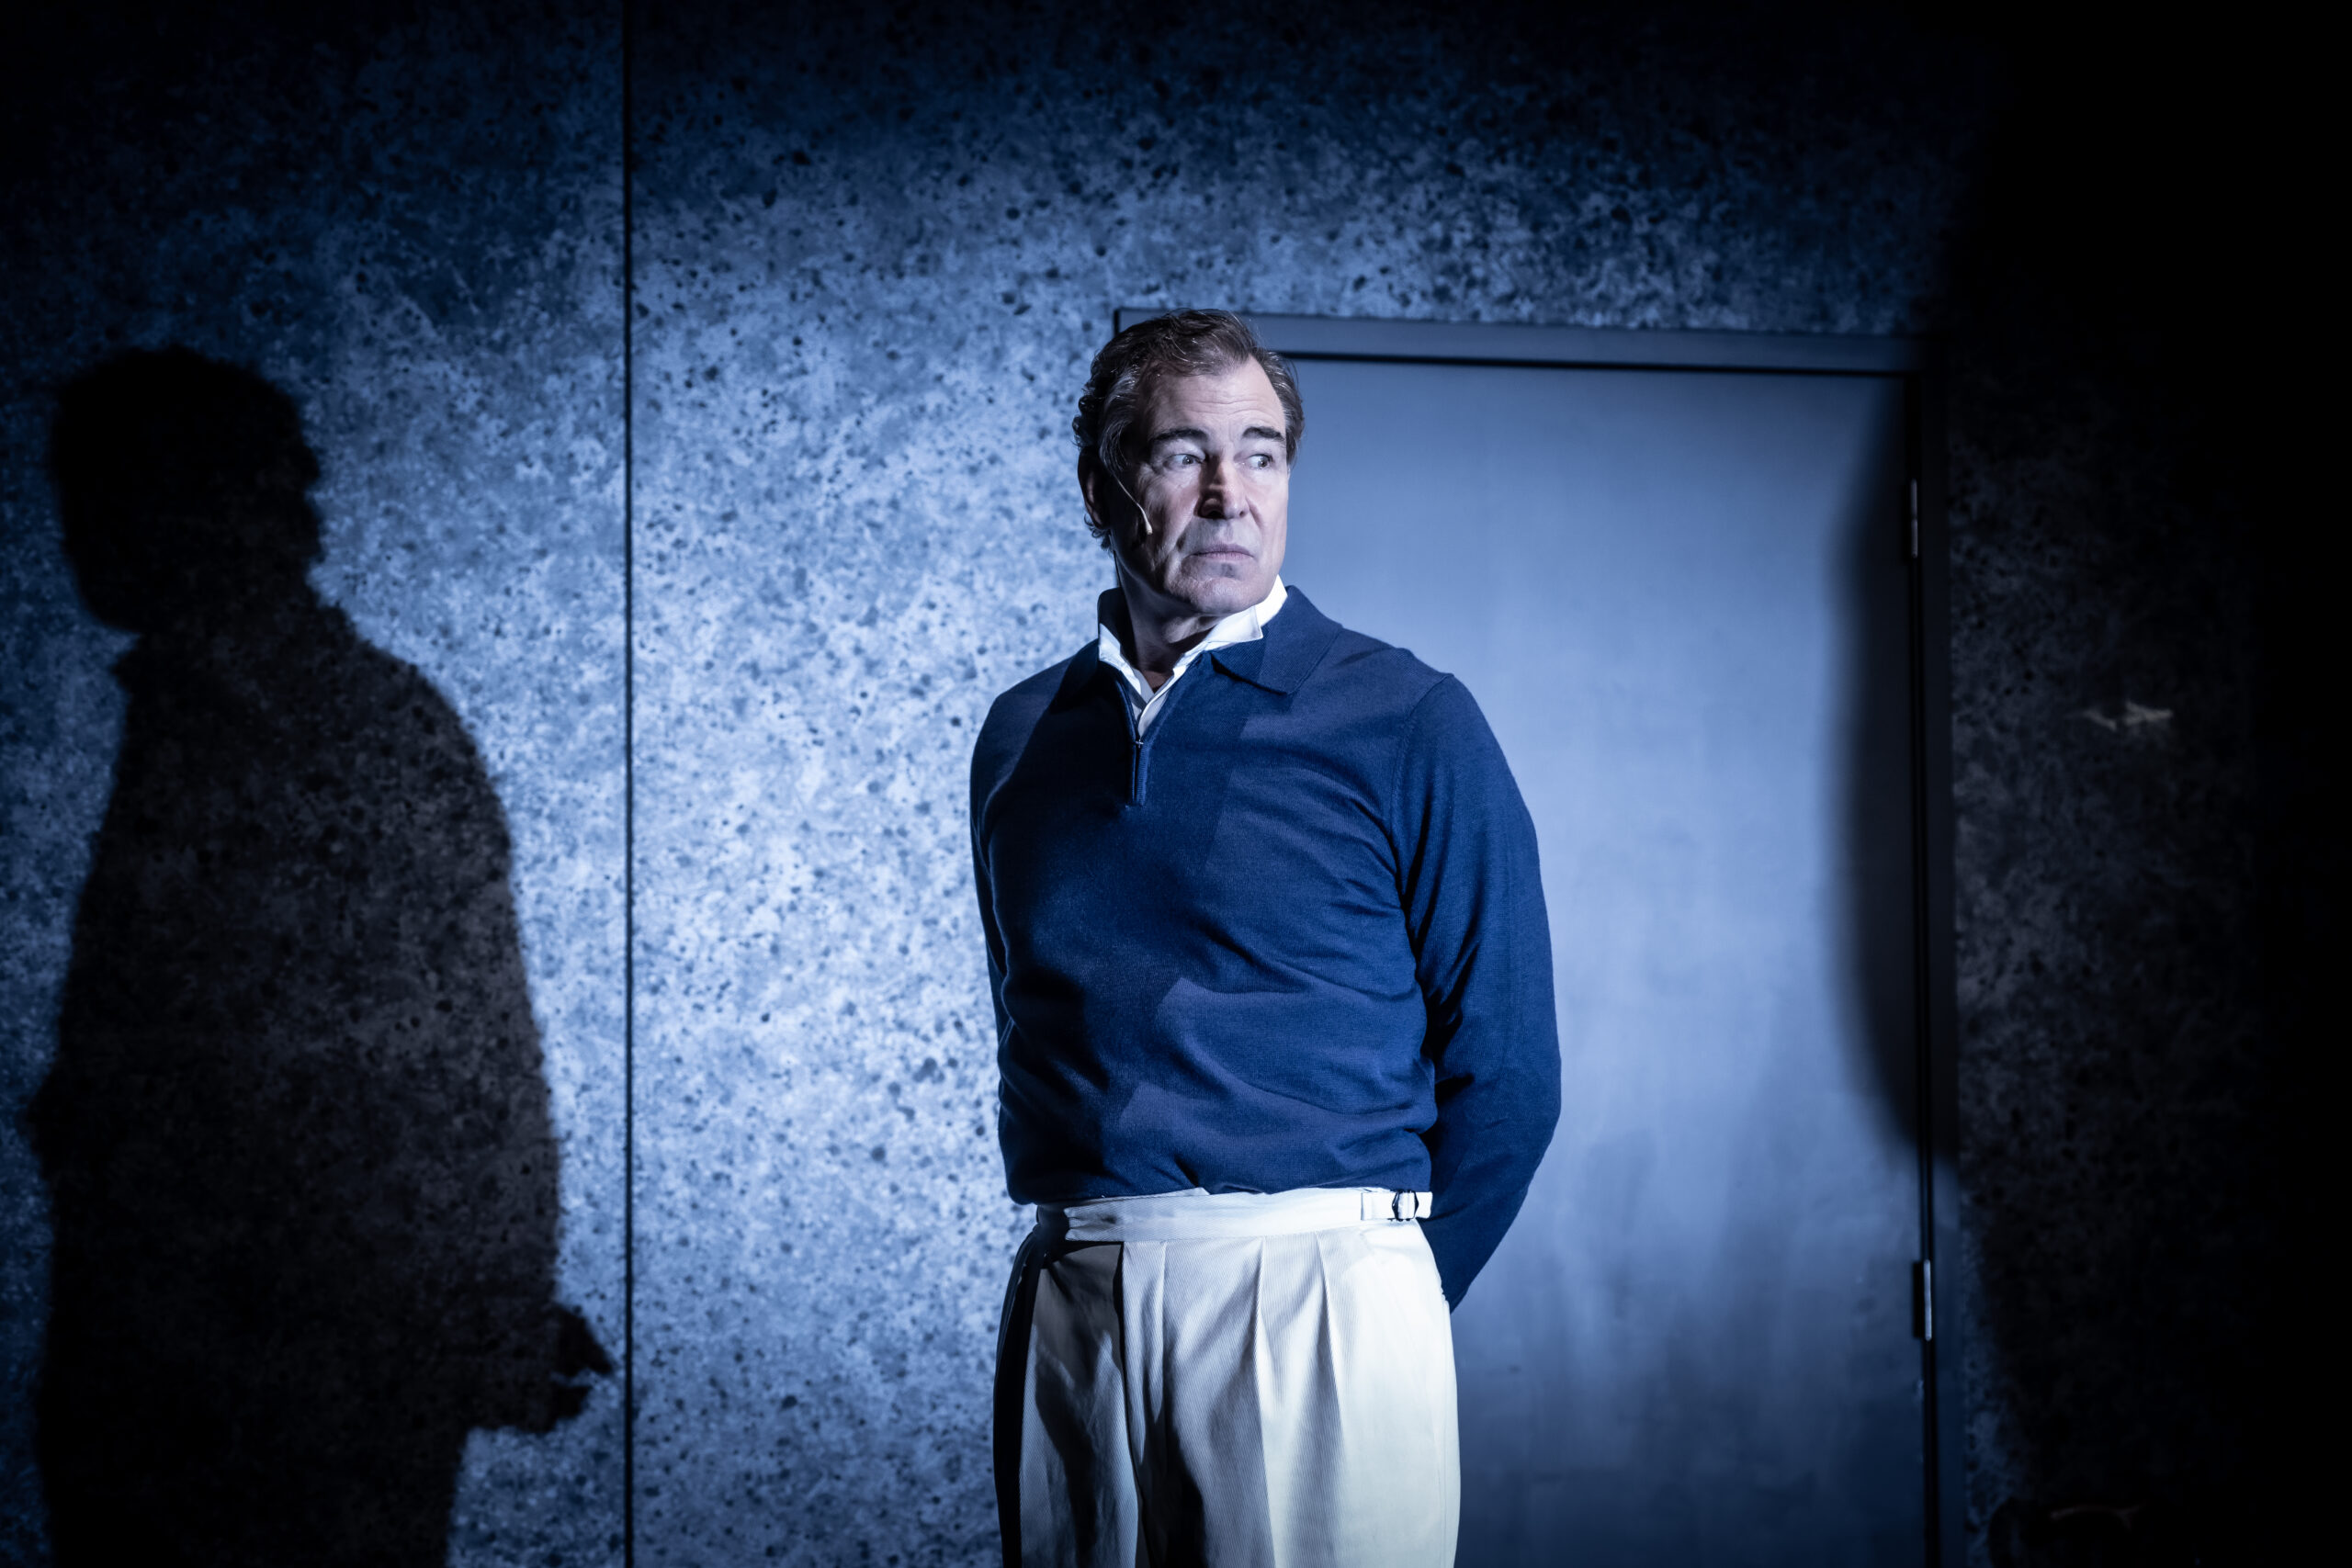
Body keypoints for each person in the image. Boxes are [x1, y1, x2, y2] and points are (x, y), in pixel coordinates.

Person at [969, 310, 1561, 1567]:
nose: (1229, 494)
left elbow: (1510, 1071)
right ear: (1102, 485)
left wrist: (1388, 1296)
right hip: (1078, 1292)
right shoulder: (1023, 735)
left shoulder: (1407, 718)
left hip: (1321, 1297)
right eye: (1182, 454)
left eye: (1262, 454)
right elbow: (1029, 1014)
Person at [29, 347, 607, 1567]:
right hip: (198, 1369)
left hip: (280, 1383)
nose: (75, 528)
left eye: (104, 489)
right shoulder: (218, 717)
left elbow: (473, 1058)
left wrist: (486, 1307)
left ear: (201, 504)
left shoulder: (338, 732)